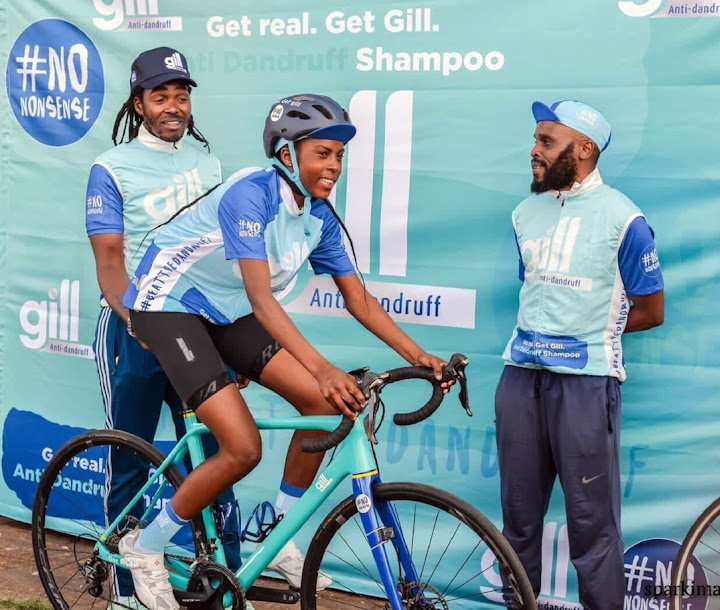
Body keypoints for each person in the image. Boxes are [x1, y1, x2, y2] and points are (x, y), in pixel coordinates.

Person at [115, 93, 452, 610]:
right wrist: (322, 368)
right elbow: (260, 297)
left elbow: (356, 297)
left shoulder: (317, 215)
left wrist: (419, 353)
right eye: (323, 153)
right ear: (288, 155)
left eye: (339, 156)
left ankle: (272, 535)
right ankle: (145, 546)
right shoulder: (252, 195)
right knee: (242, 447)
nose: (334, 166)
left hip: (222, 307)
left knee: (323, 407)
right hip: (170, 302)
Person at [85, 47, 244, 607]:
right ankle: (128, 591)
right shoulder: (110, 167)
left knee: (210, 450)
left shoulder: (210, 166)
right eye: (161, 96)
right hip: (130, 328)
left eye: (181, 95)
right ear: (139, 102)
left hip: (194, 329)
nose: (173, 105)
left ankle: (222, 583)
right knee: (130, 455)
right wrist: (140, 319)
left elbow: (220, 255)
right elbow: (109, 260)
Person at [495, 100, 664, 610]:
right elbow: (534, 290)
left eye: (547, 141)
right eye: (536, 139)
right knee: (517, 524)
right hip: (521, 379)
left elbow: (651, 310)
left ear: (584, 149)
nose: (534, 150)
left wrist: (596, 332)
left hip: (587, 385)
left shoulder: (624, 218)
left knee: (592, 529)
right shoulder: (524, 213)